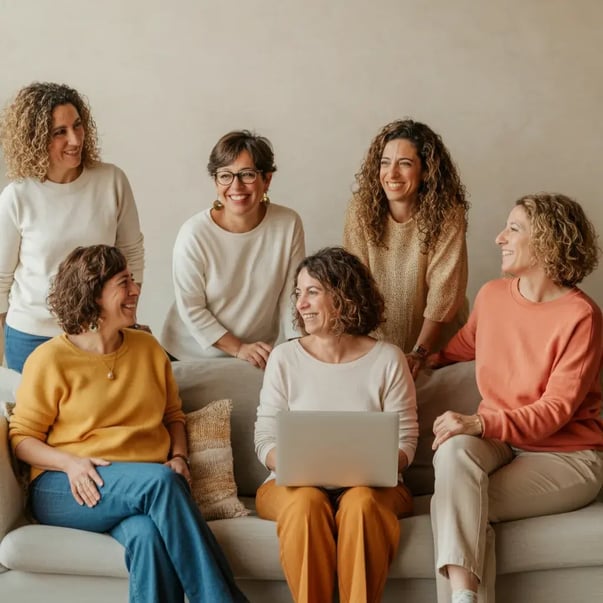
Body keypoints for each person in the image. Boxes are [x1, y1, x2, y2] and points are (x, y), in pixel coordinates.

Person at [9, 245, 247, 603]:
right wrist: (70, 463)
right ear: (94, 294)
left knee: (147, 536)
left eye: (133, 281)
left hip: (140, 486)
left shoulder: (148, 349)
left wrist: (180, 456)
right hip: (66, 485)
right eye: (124, 282)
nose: (136, 290)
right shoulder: (50, 359)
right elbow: (22, 439)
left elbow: (173, 417)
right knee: (163, 483)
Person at [428, 193, 603, 603]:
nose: (498, 238)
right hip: (502, 444)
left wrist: (478, 423)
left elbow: (555, 411)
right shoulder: (492, 296)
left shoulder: (582, 317)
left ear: (546, 240)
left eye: (513, 228)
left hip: (566, 457)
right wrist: (411, 361)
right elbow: (456, 351)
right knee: (453, 455)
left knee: (454, 506)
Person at [254, 247, 418, 603]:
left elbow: (406, 440)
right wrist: (294, 465)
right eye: (298, 294)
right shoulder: (284, 358)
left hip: (373, 489)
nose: (301, 304)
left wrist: (380, 467)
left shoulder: (388, 358)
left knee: (360, 504)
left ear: (344, 296)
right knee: (306, 504)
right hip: (293, 488)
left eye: (312, 292)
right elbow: (265, 437)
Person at [0, 82, 144, 372]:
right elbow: (1, 281)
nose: (75, 140)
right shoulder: (18, 196)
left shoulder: (112, 181)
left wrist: (122, 316)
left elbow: (132, 256)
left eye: (77, 126)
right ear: (35, 138)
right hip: (32, 338)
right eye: (59, 132)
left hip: (98, 335)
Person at [161, 130, 305, 369]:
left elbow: (293, 296)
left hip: (253, 357)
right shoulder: (194, 233)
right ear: (215, 182)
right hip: (187, 357)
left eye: (247, 174)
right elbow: (191, 308)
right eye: (225, 176)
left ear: (267, 179)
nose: (236, 186)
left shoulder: (288, 224)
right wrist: (237, 347)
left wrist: (301, 351)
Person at [343, 118, 469, 378]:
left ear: (426, 171)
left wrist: (419, 353)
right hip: (376, 344)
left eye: (405, 163)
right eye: (385, 162)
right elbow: (355, 284)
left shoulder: (447, 215)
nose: (392, 174)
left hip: (435, 350)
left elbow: (444, 294)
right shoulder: (360, 211)